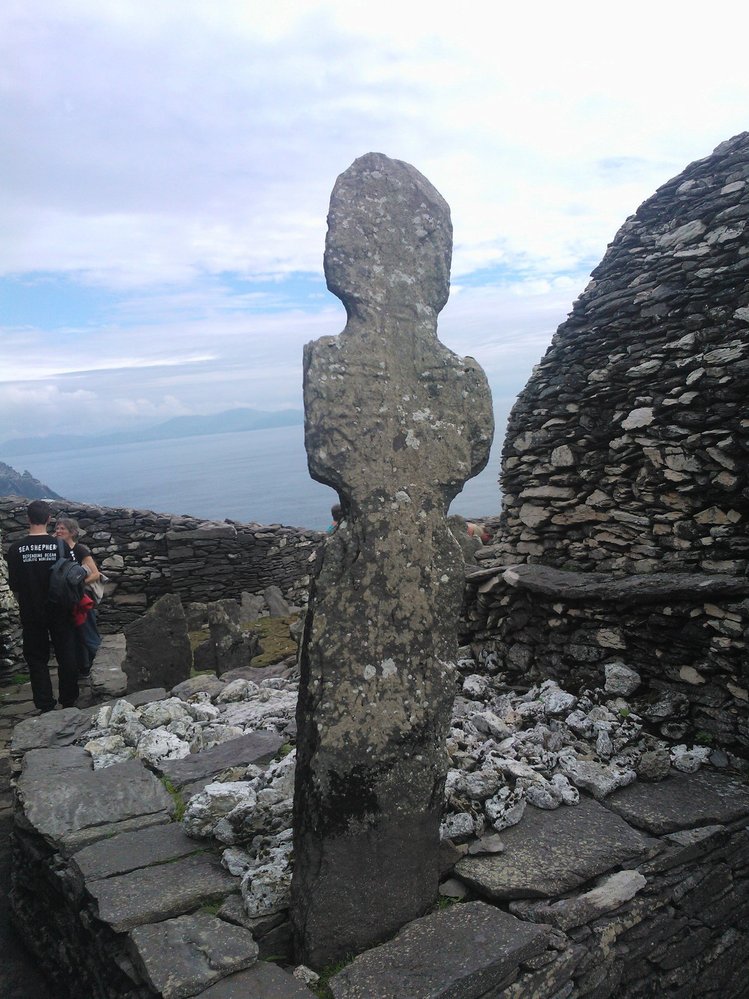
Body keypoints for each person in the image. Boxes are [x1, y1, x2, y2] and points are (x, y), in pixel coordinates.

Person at [5, 500, 79, 711]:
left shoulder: (16, 549)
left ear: (28, 519)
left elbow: (15, 584)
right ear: (48, 519)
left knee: (37, 658)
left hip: (31, 610)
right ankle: (69, 698)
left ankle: (45, 703)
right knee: (66, 653)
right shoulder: (60, 545)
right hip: (60, 609)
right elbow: (73, 576)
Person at [54, 516, 102, 677]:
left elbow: (95, 574)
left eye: (62, 528)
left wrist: (77, 586)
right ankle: (83, 668)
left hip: (81, 599)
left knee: (88, 632)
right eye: (57, 528)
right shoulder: (55, 549)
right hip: (64, 600)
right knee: (73, 635)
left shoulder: (80, 550)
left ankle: (100, 667)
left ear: (72, 532)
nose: (58, 531)